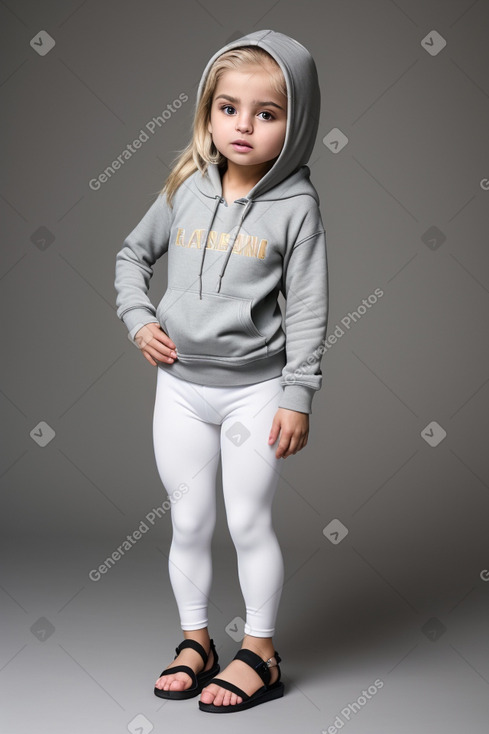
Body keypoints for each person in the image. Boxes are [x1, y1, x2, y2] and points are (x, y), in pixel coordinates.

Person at [114, 29, 328, 714]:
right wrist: (139, 320)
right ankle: (196, 642)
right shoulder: (184, 184)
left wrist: (297, 395)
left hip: (254, 392)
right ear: (207, 113)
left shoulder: (296, 206)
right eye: (227, 108)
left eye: (267, 113)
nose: (244, 125)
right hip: (179, 389)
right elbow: (130, 255)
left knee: (246, 521)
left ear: (295, 125)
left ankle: (260, 652)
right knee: (188, 519)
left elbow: (308, 309)